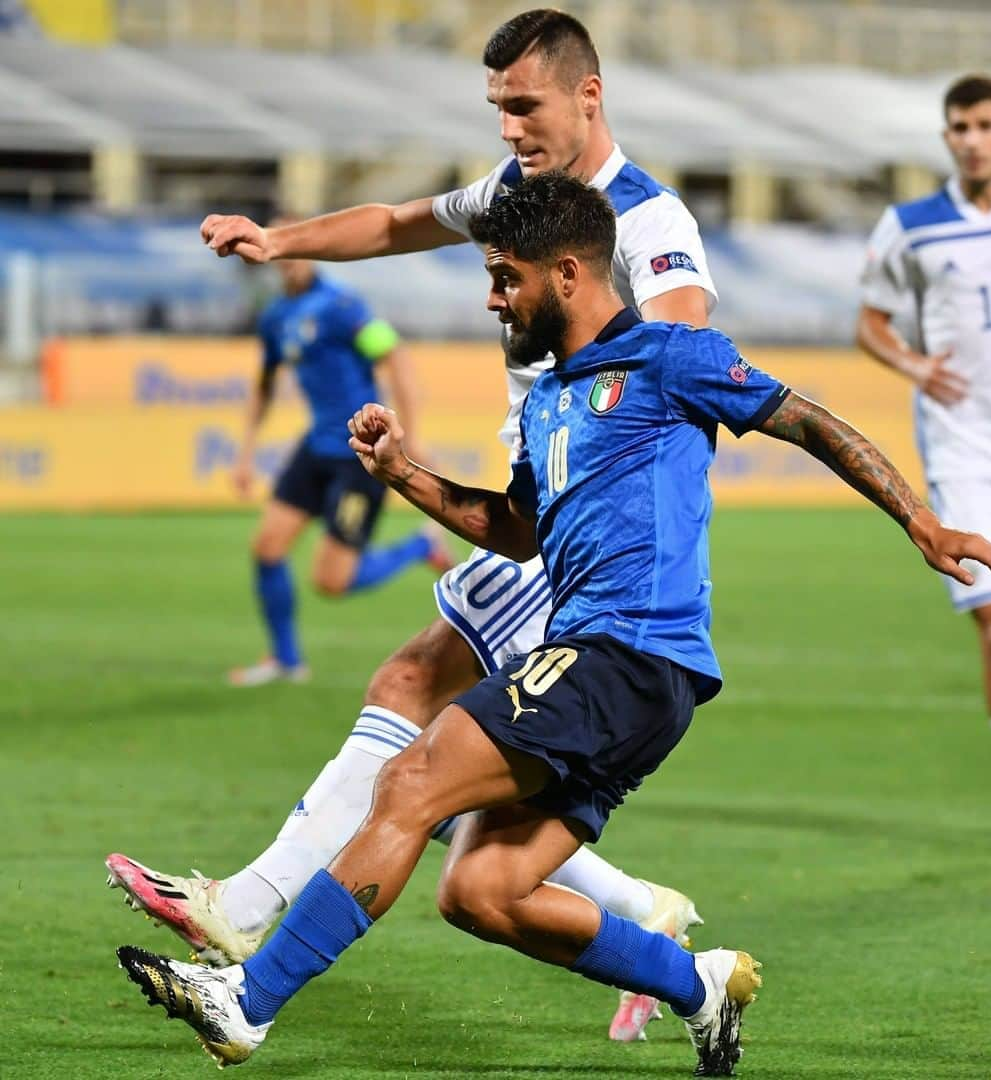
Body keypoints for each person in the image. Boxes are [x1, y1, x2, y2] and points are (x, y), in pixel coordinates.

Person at [115, 172, 991, 1077]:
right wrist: (404, 473)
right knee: (480, 891)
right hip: (607, 670)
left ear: (571, 273)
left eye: (507, 278)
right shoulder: (548, 398)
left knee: (411, 777)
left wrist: (922, 522)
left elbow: (812, 424)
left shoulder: (671, 357)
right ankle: (696, 983)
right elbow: (514, 528)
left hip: (628, 654)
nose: (493, 297)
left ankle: (246, 1001)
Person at [107, 9, 717, 1043]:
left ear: (588, 94)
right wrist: (278, 241)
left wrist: (601, 430)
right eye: (497, 108)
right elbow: (398, 223)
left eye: (525, 105)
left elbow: (687, 333)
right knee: (445, 766)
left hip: (580, 527)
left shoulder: (648, 223)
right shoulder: (515, 196)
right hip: (537, 506)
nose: (511, 126)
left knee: (416, 719)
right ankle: (638, 915)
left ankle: (245, 917)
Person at [856, 73, 991, 859]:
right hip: (968, 455)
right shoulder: (911, 226)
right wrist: (913, 366)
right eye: (959, 127)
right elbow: (871, 323)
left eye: (986, 125)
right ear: (947, 137)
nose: (973, 139)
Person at [227, 229, 451, 687]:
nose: (289, 261)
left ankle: (420, 547)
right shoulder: (275, 318)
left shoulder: (342, 306)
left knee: (332, 581)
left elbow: (393, 355)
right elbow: (264, 387)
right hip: (316, 447)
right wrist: (245, 452)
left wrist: (412, 432)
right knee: (267, 547)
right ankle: (287, 661)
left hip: (358, 453)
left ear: (307, 252)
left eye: (296, 250)